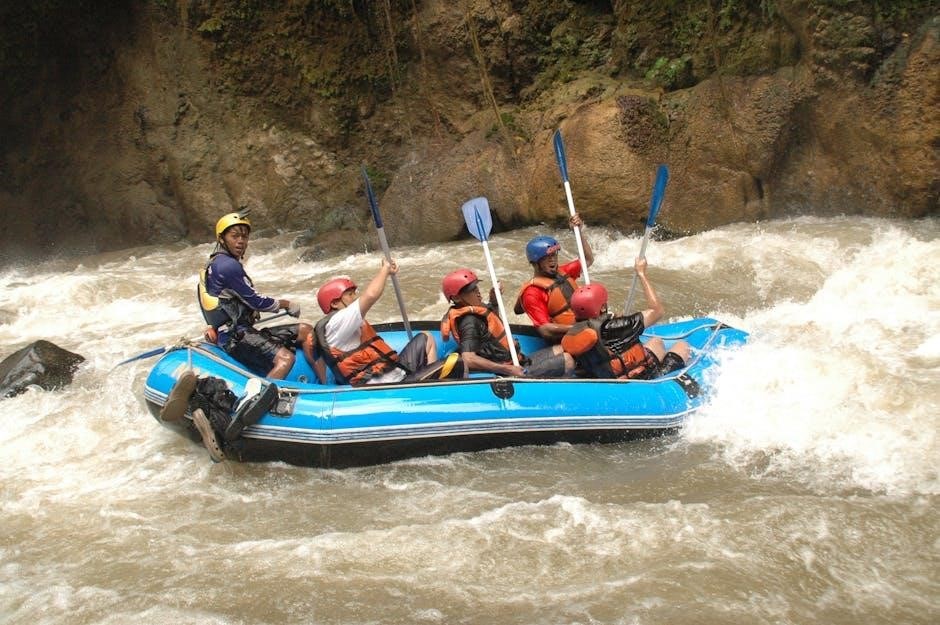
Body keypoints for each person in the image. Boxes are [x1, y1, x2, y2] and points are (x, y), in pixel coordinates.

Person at [197, 211, 317, 380]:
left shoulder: (214, 263)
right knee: (285, 359)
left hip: (238, 332)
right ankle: (260, 395)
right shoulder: (228, 266)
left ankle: (324, 382)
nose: (241, 241)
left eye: (244, 237)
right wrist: (286, 304)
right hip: (236, 337)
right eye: (234, 236)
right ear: (222, 239)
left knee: (305, 330)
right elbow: (257, 302)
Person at [560, 258, 691, 380]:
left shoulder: (575, 332)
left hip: (610, 377)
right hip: (642, 378)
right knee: (682, 345)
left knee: (657, 341)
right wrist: (642, 273)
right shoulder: (616, 327)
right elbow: (657, 311)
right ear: (603, 307)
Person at [314, 258, 439, 386]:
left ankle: (428, 385)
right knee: (449, 364)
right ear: (334, 303)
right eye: (350, 295)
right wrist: (385, 269)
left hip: (394, 373)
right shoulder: (337, 322)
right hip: (382, 385)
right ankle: (430, 386)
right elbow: (371, 295)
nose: (355, 297)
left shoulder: (340, 323)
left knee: (426, 337)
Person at [441, 268, 574, 377]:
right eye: (471, 290)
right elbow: (468, 358)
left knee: (563, 347)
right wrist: (507, 370)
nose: (478, 292)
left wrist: (494, 302)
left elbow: (490, 328)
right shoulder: (468, 322)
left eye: (476, 287)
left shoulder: (476, 311)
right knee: (568, 360)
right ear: (456, 298)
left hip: (516, 361)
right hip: (507, 371)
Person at [514, 214, 594, 343]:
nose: (553, 260)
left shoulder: (563, 272)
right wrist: (580, 328)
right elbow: (545, 330)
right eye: (547, 257)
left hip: (585, 327)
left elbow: (588, 259)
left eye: (554, 255)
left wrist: (578, 232)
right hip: (565, 339)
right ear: (535, 263)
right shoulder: (532, 293)